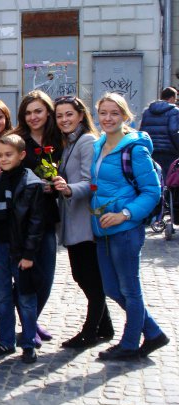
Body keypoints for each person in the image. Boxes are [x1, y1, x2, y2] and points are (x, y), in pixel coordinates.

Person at [91, 93, 169, 360]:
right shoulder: (99, 145)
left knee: (130, 290)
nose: (108, 118)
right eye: (103, 113)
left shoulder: (134, 148)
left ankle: (130, 344)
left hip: (125, 229)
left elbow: (152, 192)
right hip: (102, 229)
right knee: (112, 288)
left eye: (114, 113)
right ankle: (153, 332)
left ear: (125, 116)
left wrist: (124, 214)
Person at [51, 96, 114, 348]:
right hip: (74, 218)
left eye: (69, 114)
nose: (64, 120)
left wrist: (69, 189)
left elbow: (90, 181)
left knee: (89, 278)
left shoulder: (86, 140)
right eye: (59, 116)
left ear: (80, 115)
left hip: (85, 220)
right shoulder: (69, 142)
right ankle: (105, 326)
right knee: (83, 275)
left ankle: (90, 331)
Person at [0, 134, 44, 364]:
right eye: (0, 155)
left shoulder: (32, 184)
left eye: (9, 155)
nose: (4, 159)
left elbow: (36, 223)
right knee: (2, 295)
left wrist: (29, 254)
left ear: (21, 155)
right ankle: (6, 341)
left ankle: (28, 343)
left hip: (20, 249)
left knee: (26, 297)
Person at [13, 90, 61, 345]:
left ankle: (32, 320)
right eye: (28, 113)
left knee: (46, 276)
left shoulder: (58, 139)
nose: (33, 117)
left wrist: (57, 185)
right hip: (23, 219)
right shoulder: (19, 141)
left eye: (38, 111)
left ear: (48, 113)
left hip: (48, 215)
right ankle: (29, 325)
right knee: (26, 275)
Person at [139, 86, 179, 175]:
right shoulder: (174, 111)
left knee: (154, 175)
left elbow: (142, 131)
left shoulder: (147, 111)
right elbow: (174, 132)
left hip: (151, 150)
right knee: (168, 177)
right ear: (172, 98)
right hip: (169, 152)